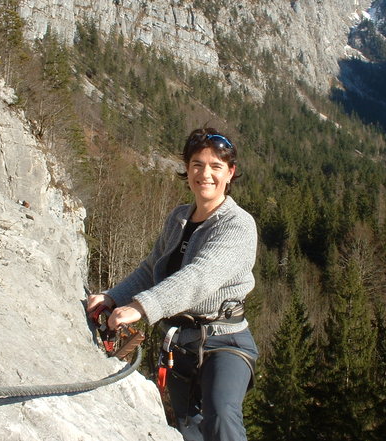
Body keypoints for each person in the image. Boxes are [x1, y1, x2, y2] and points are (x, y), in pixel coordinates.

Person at [87, 127, 259, 441]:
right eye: (197, 165)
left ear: (231, 173)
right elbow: (151, 269)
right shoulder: (179, 217)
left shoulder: (238, 225)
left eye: (215, 167)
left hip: (225, 342)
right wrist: (113, 297)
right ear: (187, 169)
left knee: (221, 417)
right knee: (187, 425)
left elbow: (200, 277)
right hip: (180, 344)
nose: (205, 174)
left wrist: (140, 307)